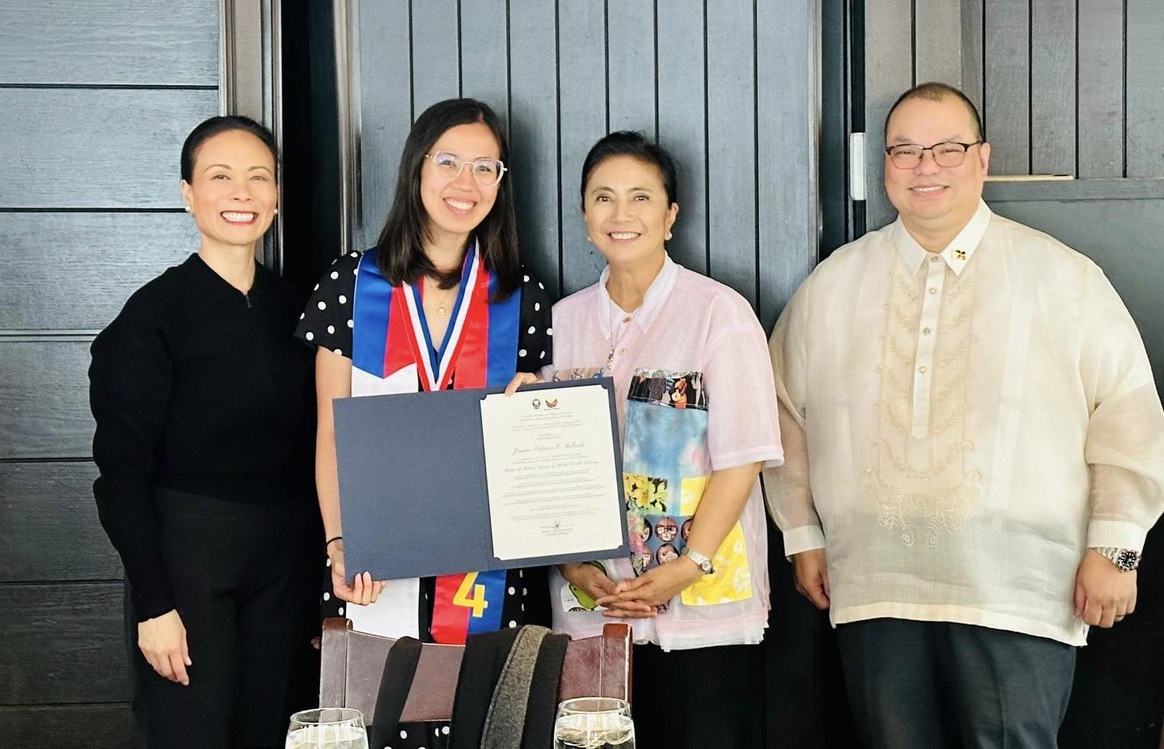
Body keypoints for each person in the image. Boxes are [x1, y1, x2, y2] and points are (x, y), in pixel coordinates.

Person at [764, 82, 1164, 748]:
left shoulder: (1061, 278)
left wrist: (1116, 547)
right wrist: (802, 534)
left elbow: (1128, 413)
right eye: (905, 151)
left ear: (982, 160)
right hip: (874, 583)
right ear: (886, 166)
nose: (926, 166)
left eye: (946, 149)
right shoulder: (834, 285)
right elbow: (781, 412)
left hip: (1018, 586)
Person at [510, 131, 783, 747]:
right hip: (593, 607)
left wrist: (689, 565)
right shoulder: (561, 322)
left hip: (702, 607)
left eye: (640, 197)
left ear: (670, 216)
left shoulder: (720, 313)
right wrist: (577, 568)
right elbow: (546, 466)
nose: (621, 214)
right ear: (584, 215)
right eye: (603, 198)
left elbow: (743, 461)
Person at [297, 98, 552, 749]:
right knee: (377, 728)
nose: (464, 183)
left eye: (485, 167)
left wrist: (536, 412)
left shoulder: (524, 297)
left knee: (485, 730)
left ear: (501, 183)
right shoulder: (353, 285)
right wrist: (338, 543)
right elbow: (331, 431)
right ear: (415, 168)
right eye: (448, 162)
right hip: (370, 563)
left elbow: (540, 450)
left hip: (489, 573)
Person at [90, 116, 322, 748]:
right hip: (187, 567)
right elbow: (120, 479)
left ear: (276, 196)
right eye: (220, 177)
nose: (240, 193)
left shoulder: (300, 311)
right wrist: (153, 607)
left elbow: (322, 448)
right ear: (189, 193)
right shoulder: (150, 320)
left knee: (276, 732)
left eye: (258, 178)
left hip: (285, 568)